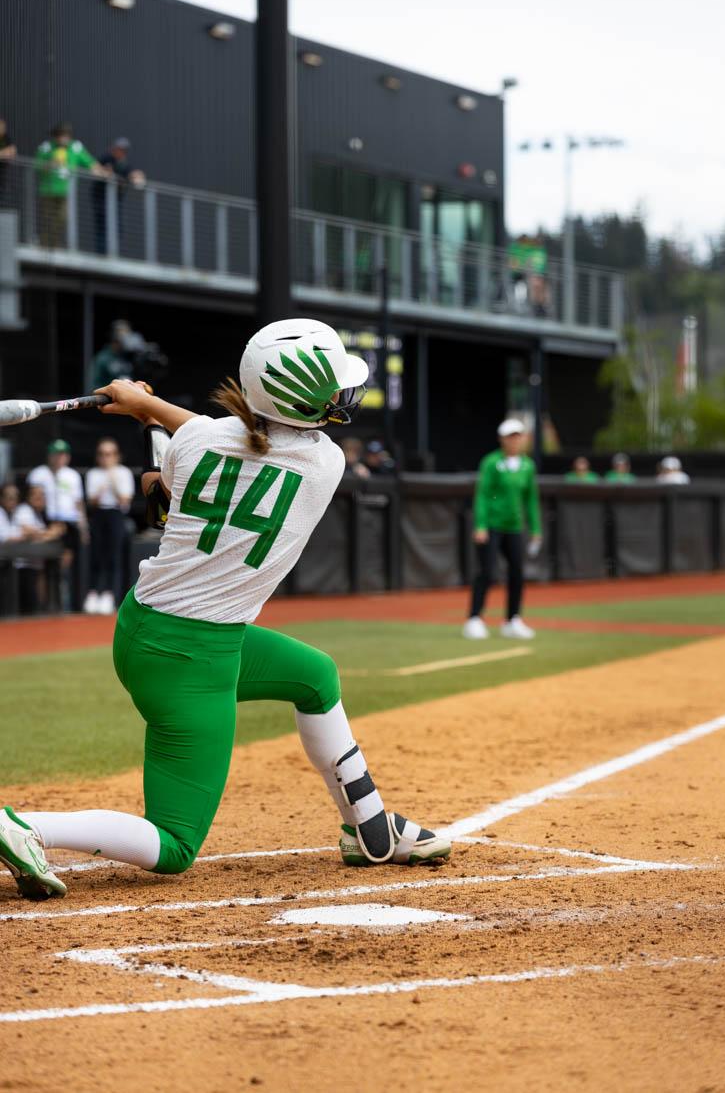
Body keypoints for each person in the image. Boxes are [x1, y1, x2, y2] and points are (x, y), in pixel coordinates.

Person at [0, 318, 450, 901]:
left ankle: (370, 827)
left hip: (151, 627)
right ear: (303, 402)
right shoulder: (326, 463)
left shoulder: (197, 445)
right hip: (191, 658)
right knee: (175, 844)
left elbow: (204, 445)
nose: (343, 397)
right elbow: (224, 447)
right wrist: (150, 408)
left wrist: (148, 406)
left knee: (315, 676)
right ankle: (28, 827)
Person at [463, 418, 541, 641]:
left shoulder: (528, 466)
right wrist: (480, 525)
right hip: (491, 526)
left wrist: (536, 528)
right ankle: (474, 619)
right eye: (510, 436)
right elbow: (483, 495)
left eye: (518, 436)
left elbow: (531, 500)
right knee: (487, 571)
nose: (515, 440)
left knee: (517, 573)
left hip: (514, 527)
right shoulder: (491, 463)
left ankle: (512, 620)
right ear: (502, 439)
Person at [27, 440, 88, 610]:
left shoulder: (72, 475)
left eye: (62, 454)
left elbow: (78, 503)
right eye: (56, 454)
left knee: (64, 563)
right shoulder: (38, 474)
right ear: (49, 455)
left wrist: (83, 528)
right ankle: (42, 604)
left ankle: (62, 600)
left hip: (68, 522)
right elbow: (33, 499)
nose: (59, 458)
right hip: (46, 520)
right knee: (42, 564)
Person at [83, 438, 135, 615]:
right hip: (98, 515)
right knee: (96, 555)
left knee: (114, 556)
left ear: (116, 456)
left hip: (116, 515)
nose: (106, 458)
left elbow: (125, 500)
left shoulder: (123, 473)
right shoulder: (93, 473)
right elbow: (92, 501)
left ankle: (110, 594)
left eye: (110, 454)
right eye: (102, 454)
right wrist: (102, 486)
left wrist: (112, 481)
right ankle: (93, 593)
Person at [34, 122, 107, 248]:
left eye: (66, 135)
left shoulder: (75, 147)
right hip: (47, 190)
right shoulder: (46, 147)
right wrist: (51, 164)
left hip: (66, 191)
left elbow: (90, 162)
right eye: (61, 135)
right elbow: (36, 166)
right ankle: (44, 244)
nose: (64, 138)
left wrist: (103, 172)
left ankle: (53, 244)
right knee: (47, 218)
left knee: (62, 218)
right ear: (56, 136)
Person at [0, 484, 65, 613]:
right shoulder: (24, 510)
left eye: (42, 495)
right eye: (35, 495)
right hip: (20, 567)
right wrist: (51, 533)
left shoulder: (38, 514)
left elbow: (38, 535)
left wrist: (48, 534)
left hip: (31, 566)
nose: (39, 498)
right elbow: (28, 533)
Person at [92, 137, 146, 255]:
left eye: (123, 150)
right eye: (119, 149)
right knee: (104, 228)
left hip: (115, 201)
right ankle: (102, 254)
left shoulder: (124, 163)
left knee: (116, 228)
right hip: (102, 199)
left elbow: (133, 175)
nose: (121, 152)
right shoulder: (106, 159)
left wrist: (137, 177)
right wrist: (106, 174)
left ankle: (111, 253)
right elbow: (97, 171)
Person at [0, 117, 17, 206]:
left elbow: (13, 151)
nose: (2, 128)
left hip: (2, 175)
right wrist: (4, 153)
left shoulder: (5, 138)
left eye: (3, 126)